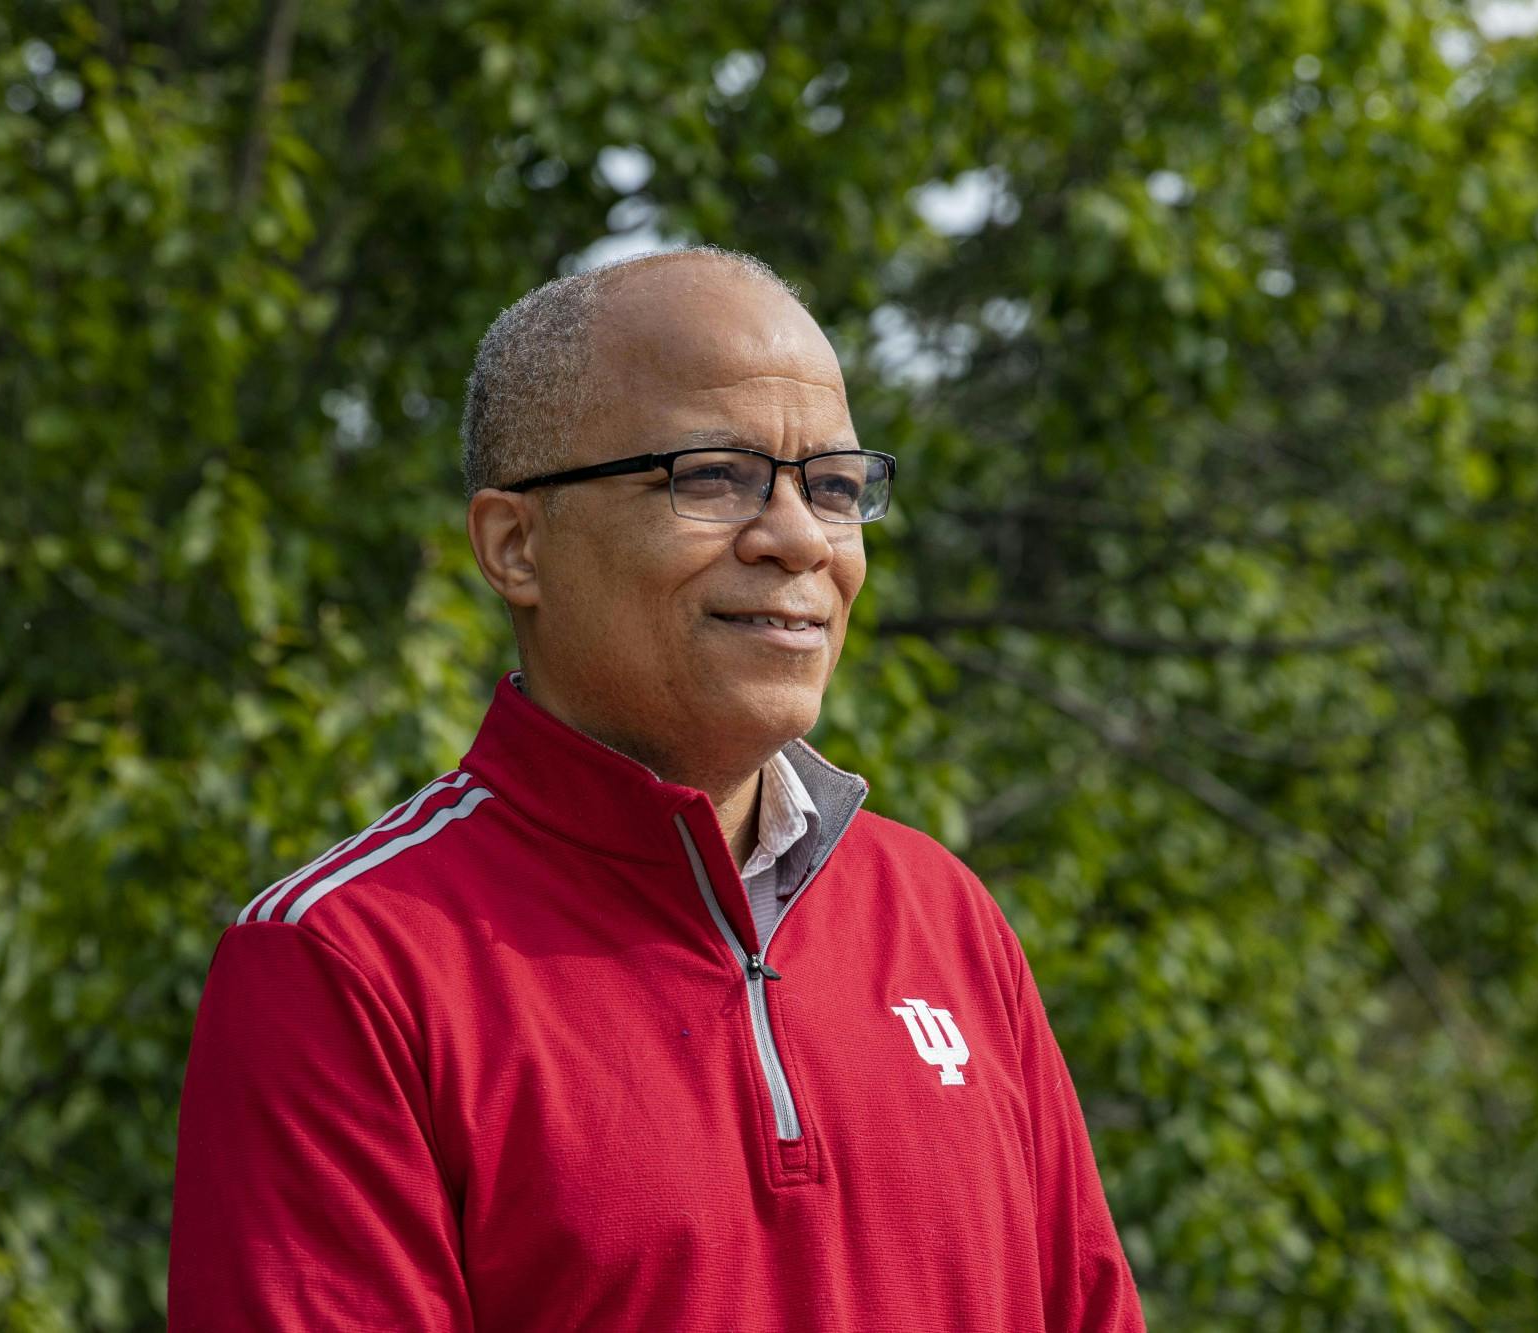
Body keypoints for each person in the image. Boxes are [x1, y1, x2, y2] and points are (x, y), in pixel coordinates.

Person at [168, 247, 1145, 1330]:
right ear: (515, 546)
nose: (795, 541)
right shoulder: (346, 963)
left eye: (830, 487)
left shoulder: (941, 915)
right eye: (713, 476)